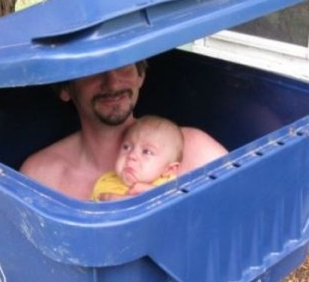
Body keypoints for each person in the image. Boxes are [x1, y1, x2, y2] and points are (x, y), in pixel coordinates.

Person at [20, 62, 227, 200]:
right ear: (65, 88)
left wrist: (171, 212)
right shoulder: (41, 177)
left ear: (140, 75)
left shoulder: (196, 153)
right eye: (93, 68)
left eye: (122, 64)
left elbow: (242, 224)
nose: (112, 83)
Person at [91, 115, 184, 201]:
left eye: (147, 152)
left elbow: (180, 206)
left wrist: (154, 193)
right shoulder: (107, 182)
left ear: (169, 169)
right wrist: (107, 198)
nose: (131, 155)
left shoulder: (169, 187)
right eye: (126, 147)